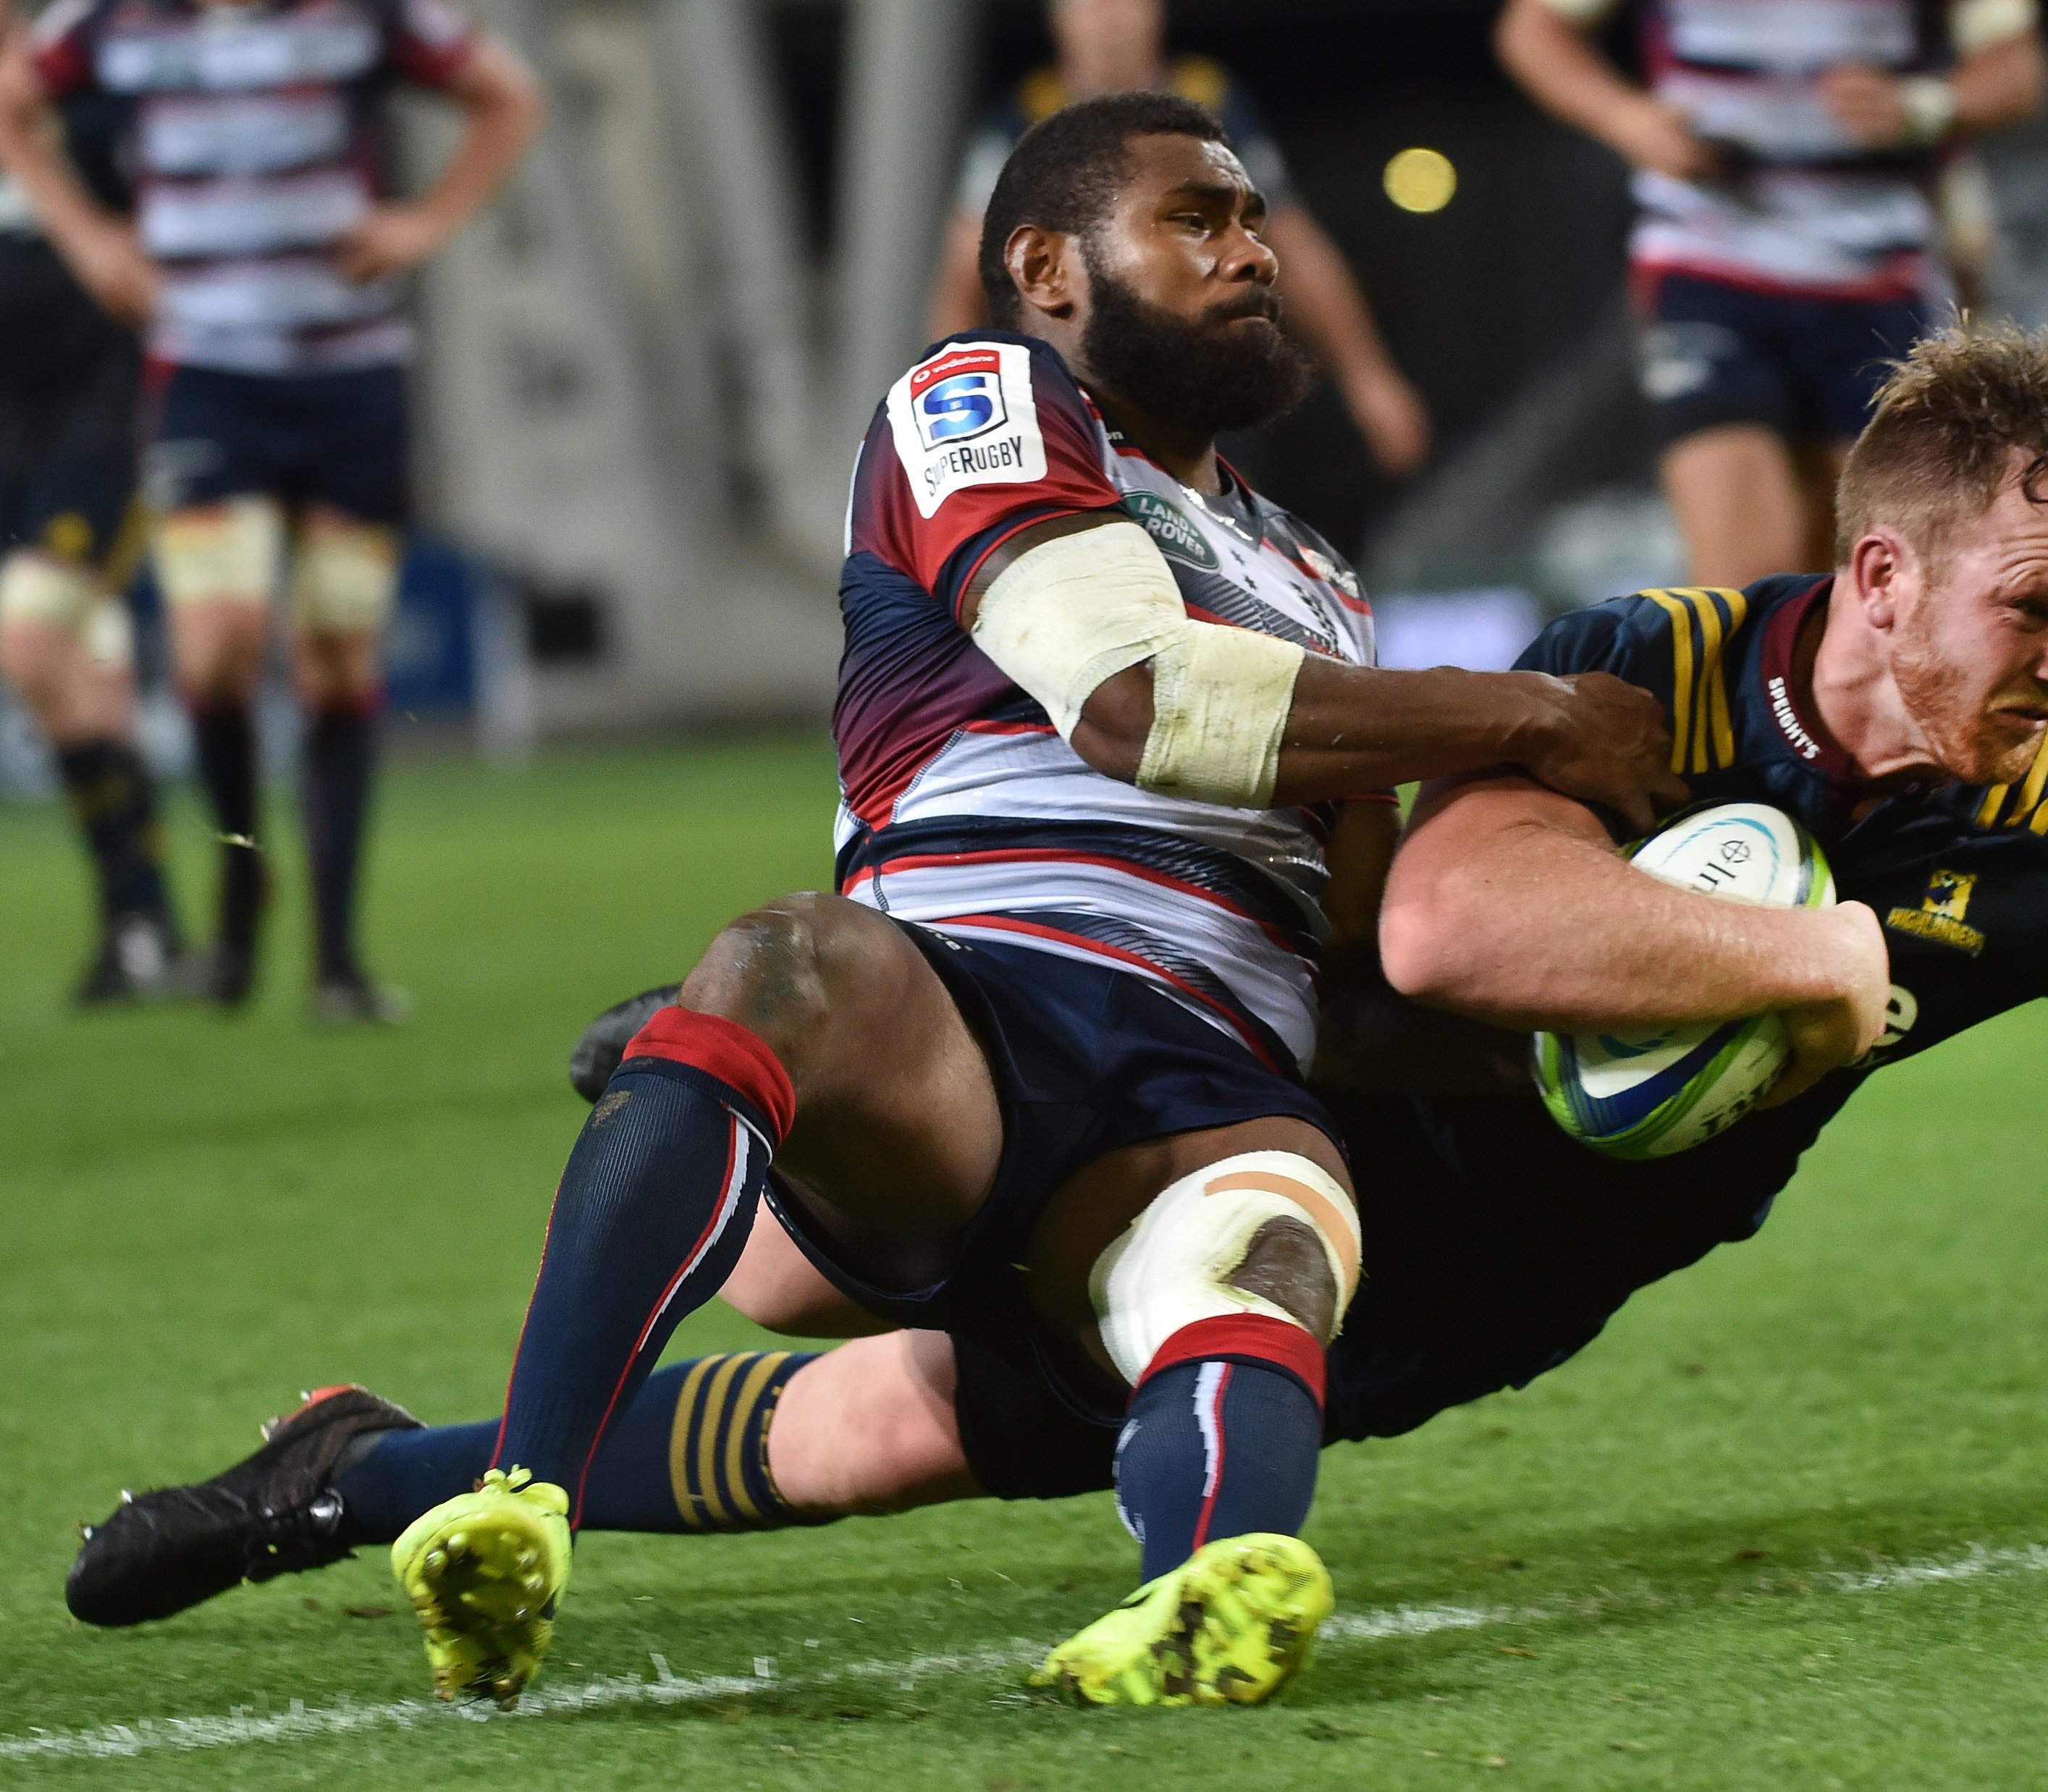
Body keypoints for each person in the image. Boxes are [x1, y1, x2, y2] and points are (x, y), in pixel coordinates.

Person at [73, 326, 2048, 1691]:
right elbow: (1446, 936)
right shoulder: (1648, 672)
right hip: (1266, 1134)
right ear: (1874, 577)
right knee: (869, 1373)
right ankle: (408, 1444)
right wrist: (1805, 955)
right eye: (2030, 613)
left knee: (870, 1432)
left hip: (1474, 1313)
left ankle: (354, 1455)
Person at [67, 92, 1680, 1715]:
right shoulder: (980, 396)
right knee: (793, 956)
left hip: (1209, 1074)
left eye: (1256, 217)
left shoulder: (1321, 577)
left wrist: (1615, 1019)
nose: (1253, 247)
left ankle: (1203, 1576)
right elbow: (1133, 698)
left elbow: (1346, 978)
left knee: (1241, 1256)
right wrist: (1532, 711)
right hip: (966, 1015)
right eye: (1199, 216)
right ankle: (524, 1489)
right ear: (1046, 265)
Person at [0, 0, 544, 1020]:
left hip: (352, 379)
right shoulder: (114, 22)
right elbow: (12, 99)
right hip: (206, 376)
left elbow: (507, 93)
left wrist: (426, 222)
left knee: (337, 656)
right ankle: (241, 879)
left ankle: (338, 959)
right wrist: (87, 238)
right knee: (217, 648)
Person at [1496, 0, 2044, 588]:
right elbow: (1532, 28)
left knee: (1868, 577)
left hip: (1877, 273)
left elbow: (2015, 73)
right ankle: (1749, 677)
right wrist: (1626, 118)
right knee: (1746, 579)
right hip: (1709, 260)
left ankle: (1799, 680)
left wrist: (1921, 105)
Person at [927, 0, 1431, 481]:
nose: (1111, 21)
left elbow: (1292, 243)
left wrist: (1369, 377)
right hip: (1071, 402)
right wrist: (957, 411)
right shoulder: (1019, 120)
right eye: (1093, 5)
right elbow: (963, 273)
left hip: (1194, 388)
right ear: (1060, 20)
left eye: (1126, 3)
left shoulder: (1209, 103)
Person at [0, 16, 181, 1004]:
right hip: (10, 422)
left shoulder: (85, 90)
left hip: (102, 412)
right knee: (78, 676)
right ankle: (142, 925)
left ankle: (147, 921)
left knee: (31, 642)